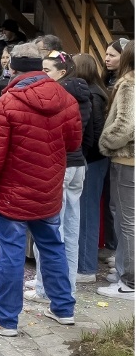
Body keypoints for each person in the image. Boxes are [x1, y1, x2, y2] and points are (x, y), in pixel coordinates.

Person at [0, 43, 80, 337]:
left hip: (13, 193)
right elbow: (73, 144)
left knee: (11, 252)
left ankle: (5, 319)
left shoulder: (5, 104)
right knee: (52, 246)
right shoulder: (67, 99)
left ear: (12, 69)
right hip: (47, 188)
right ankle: (63, 308)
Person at [25, 52, 89, 303]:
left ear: (62, 73)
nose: (42, 75)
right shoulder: (84, 95)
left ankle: (45, 288)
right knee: (70, 232)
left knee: (50, 231)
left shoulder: (56, 97)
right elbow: (88, 134)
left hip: (59, 166)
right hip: (78, 164)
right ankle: (66, 288)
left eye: (47, 70)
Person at [97, 41, 134, 299]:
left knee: (127, 221)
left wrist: (105, 142)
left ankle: (129, 281)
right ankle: (123, 271)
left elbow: (125, 124)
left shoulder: (128, 84)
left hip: (126, 159)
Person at [72, 53, 109, 282]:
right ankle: (85, 264)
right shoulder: (98, 91)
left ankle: (86, 268)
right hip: (96, 159)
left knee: (87, 213)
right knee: (87, 211)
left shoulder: (92, 95)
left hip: (92, 160)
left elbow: (93, 132)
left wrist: (82, 157)